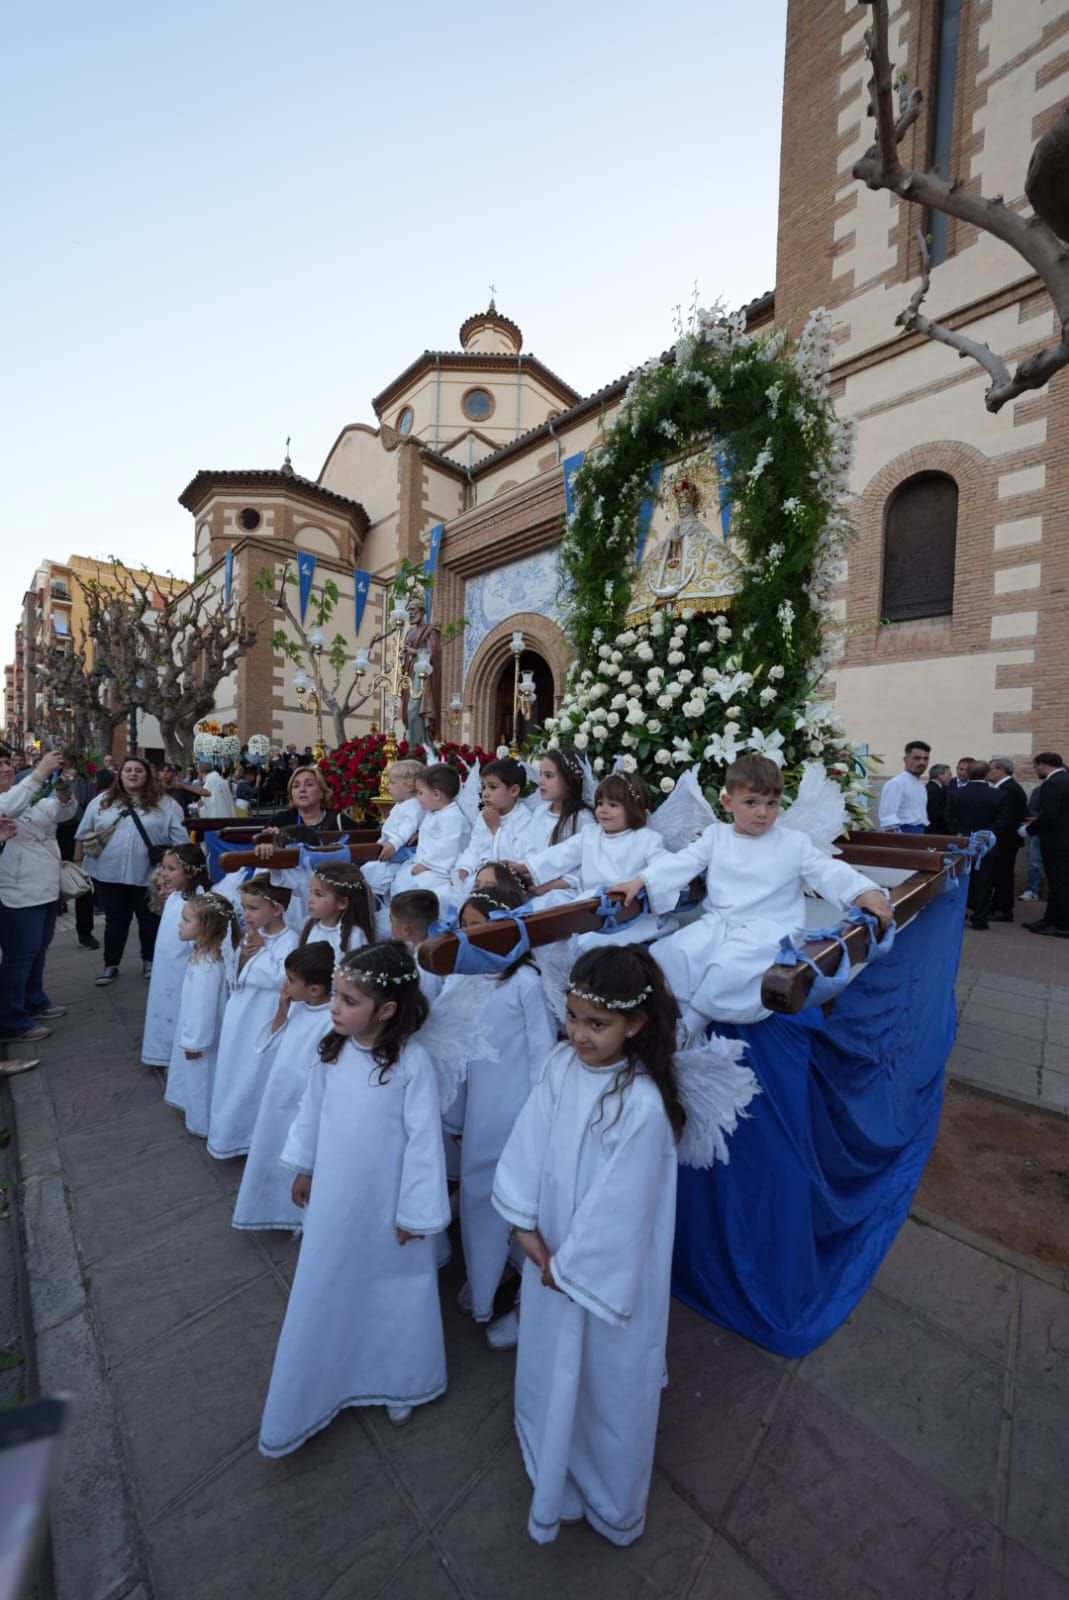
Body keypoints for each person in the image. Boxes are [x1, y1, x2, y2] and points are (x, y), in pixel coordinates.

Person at [490, 946, 752, 1546]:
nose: (578, 1035)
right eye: (573, 1017)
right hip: (549, 1249)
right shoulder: (560, 1066)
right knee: (551, 1355)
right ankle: (549, 1440)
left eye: (596, 1024)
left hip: (591, 1268)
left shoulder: (641, 1105)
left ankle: (608, 1492)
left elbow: (624, 1207)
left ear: (635, 1024)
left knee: (606, 1372)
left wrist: (567, 1266)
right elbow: (530, 1137)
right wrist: (526, 1226)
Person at [258, 941, 450, 1453]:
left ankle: (399, 1377)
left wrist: (416, 1210)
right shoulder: (334, 1046)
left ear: (386, 1010)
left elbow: (425, 1144)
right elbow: (313, 1109)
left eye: (347, 1001)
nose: (335, 1008)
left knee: (394, 1285)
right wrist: (304, 1165)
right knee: (335, 1277)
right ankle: (331, 1369)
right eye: (336, 996)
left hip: (387, 1204)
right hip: (338, 1199)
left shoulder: (412, 1064)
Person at [615, 754, 891, 1032]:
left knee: (729, 967)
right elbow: (682, 862)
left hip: (769, 928)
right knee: (675, 952)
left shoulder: (793, 843)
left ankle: (691, 1027)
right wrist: (641, 880)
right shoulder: (716, 836)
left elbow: (827, 871)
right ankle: (675, 1014)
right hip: (720, 923)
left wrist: (864, 892)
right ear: (727, 803)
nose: (763, 812)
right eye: (751, 803)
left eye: (771, 803)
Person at [447, 886, 557, 1347]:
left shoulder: (525, 984)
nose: (463, 935)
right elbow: (453, 1046)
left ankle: (510, 1279)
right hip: (480, 1109)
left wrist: (540, 1119)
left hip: (515, 1112)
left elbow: (542, 1054)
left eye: (474, 927)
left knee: (513, 1199)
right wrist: (455, 1116)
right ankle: (484, 1281)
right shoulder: (468, 977)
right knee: (477, 1196)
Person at [232, 942, 335, 1233]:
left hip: (299, 1102)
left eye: (291, 980)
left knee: (296, 1157)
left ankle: (297, 1217)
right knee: (272, 1148)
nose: (285, 984)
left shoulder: (330, 1020)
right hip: (278, 1097)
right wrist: (281, 1011)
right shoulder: (299, 1007)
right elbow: (270, 1042)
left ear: (315, 988)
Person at [513, 772, 670, 949]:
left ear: (633, 808)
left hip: (628, 913)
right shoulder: (590, 834)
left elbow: (665, 866)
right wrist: (525, 866)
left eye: (613, 805)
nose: (603, 809)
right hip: (589, 908)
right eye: (600, 803)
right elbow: (560, 853)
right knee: (552, 924)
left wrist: (640, 880)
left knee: (590, 943)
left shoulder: (647, 839)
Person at [75, 757, 189, 987]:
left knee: (149, 921)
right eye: (128, 770)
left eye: (139, 770)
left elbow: (181, 842)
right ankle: (110, 964)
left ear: (148, 775)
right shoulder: (102, 802)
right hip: (108, 874)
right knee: (115, 922)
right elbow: (83, 832)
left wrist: (175, 871)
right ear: (120, 775)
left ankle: (150, 961)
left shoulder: (166, 805)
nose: (133, 774)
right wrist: (78, 864)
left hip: (149, 876)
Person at [207, 878, 299, 1159]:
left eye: (253, 908)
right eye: (244, 907)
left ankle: (249, 1137)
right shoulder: (252, 936)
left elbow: (282, 979)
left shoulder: (291, 940)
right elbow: (236, 975)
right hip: (240, 1016)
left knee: (252, 1076)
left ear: (277, 909)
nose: (245, 914)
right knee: (233, 1074)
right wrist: (244, 958)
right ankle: (227, 1133)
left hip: (263, 1017)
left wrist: (261, 953)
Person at [0, 748, 78, 1044]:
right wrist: (40, 772)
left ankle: (34, 1001)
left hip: (45, 885)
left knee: (38, 949)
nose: (6, 768)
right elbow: (9, 807)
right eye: (0, 765)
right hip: (16, 890)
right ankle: (11, 1019)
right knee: (19, 956)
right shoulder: (13, 797)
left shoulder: (25, 795)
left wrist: (63, 791)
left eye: (7, 762)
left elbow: (63, 813)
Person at [163, 893, 240, 1137]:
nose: (179, 924)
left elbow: (202, 1007)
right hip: (197, 1032)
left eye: (186, 920)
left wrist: (194, 1042)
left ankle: (203, 1123)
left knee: (202, 1080)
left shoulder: (207, 965)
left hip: (202, 1039)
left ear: (205, 927)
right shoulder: (205, 955)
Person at [140, 844, 209, 1067]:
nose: (165, 874)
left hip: (182, 970)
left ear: (190, 872)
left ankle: (177, 1057)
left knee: (180, 1010)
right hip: (165, 969)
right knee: (163, 1007)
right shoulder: (174, 899)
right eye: (164, 868)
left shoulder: (199, 903)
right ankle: (161, 1051)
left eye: (171, 869)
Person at [390, 764, 470, 904]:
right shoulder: (434, 811)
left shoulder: (452, 816)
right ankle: (400, 911)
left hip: (443, 867)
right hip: (425, 860)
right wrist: (419, 833)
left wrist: (428, 865)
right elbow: (431, 832)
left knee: (420, 884)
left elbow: (447, 846)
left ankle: (414, 914)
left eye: (420, 793)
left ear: (436, 794)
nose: (416, 797)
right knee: (402, 878)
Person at [453, 757, 534, 884]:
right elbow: (475, 847)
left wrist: (495, 829)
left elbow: (518, 857)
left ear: (514, 790)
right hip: (480, 874)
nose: (485, 794)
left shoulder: (524, 818)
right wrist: (463, 869)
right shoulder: (484, 815)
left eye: (492, 787)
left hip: (506, 880)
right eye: (484, 787)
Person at [361, 758, 427, 907]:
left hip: (402, 852)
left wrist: (392, 843)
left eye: (392, 782)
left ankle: (382, 907)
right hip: (391, 849)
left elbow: (406, 829)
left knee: (375, 874)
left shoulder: (414, 805)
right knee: (368, 871)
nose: (387, 786)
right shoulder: (401, 805)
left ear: (409, 786)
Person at [946, 761, 1002, 930]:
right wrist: (984, 836)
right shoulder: (998, 794)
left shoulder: (956, 794)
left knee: (960, 879)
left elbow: (949, 818)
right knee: (984, 882)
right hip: (987, 845)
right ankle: (980, 919)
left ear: (968, 774)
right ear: (986, 775)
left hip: (961, 844)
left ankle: (957, 915)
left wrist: (963, 835)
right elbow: (1002, 820)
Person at [1021, 751, 1069, 937]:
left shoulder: (1052, 783)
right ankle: (1050, 919)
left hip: (1056, 842)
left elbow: (1049, 814)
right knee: (1060, 882)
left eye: (1035, 766)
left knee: (1058, 884)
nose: (1035, 770)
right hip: (1064, 841)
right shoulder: (1066, 780)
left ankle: (1062, 924)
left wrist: (1029, 829)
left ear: (1043, 764)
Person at [254, 766, 361, 841]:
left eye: (309, 784)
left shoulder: (340, 821)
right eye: (296, 786)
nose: (302, 790)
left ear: (322, 793)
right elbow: (259, 847)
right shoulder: (280, 821)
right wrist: (269, 840)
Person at [523, 747, 595, 853]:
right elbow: (528, 849)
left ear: (568, 779)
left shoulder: (584, 819)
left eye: (548, 776)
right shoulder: (540, 812)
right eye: (540, 775)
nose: (540, 781)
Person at [299, 864, 374, 957]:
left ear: (342, 903)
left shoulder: (354, 936)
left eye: (319, 894)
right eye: (311, 892)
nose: (310, 899)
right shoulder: (309, 927)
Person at [986, 757, 1028, 922]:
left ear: (1001, 770)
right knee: (999, 874)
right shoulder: (1005, 787)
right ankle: (998, 905)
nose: (987, 772)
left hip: (1005, 840)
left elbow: (1006, 818)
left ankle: (1003, 909)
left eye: (991, 769)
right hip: (1004, 839)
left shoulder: (1008, 789)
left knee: (1003, 875)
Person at [400, 594, 441, 746]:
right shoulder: (409, 633)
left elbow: (433, 654)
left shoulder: (431, 631)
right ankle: (412, 746)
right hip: (410, 674)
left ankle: (420, 748)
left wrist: (414, 651)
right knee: (407, 713)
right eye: (408, 610)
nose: (410, 613)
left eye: (413, 609)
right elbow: (405, 655)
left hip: (423, 677)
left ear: (423, 611)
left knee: (414, 712)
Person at [388, 889, 442, 1003]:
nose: (391, 926)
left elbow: (426, 1004)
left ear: (406, 930)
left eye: (392, 920)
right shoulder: (435, 946)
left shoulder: (423, 968)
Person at [877, 741, 930, 833]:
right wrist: (900, 842)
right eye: (917, 758)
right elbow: (888, 818)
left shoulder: (921, 786)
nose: (922, 762)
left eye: (925, 759)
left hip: (919, 832)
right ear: (905, 759)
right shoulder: (896, 783)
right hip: (904, 834)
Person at [172, 758, 237, 819]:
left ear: (200, 770)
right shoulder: (217, 779)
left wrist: (183, 786)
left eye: (197, 769)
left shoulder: (211, 780)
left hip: (218, 820)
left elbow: (207, 792)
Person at [926, 763, 952, 833]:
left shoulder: (932, 788)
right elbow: (938, 814)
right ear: (940, 775)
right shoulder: (935, 791)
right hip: (935, 831)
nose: (951, 777)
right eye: (949, 774)